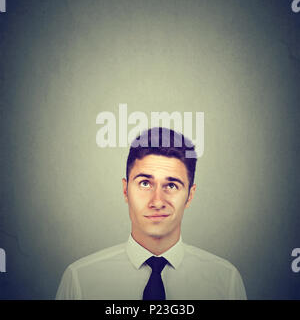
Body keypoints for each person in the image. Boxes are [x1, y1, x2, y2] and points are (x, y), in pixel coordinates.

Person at [56, 127, 247, 300]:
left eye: (171, 185)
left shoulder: (226, 282)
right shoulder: (79, 281)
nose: (157, 201)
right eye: (145, 183)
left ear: (190, 195)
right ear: (125, 191)